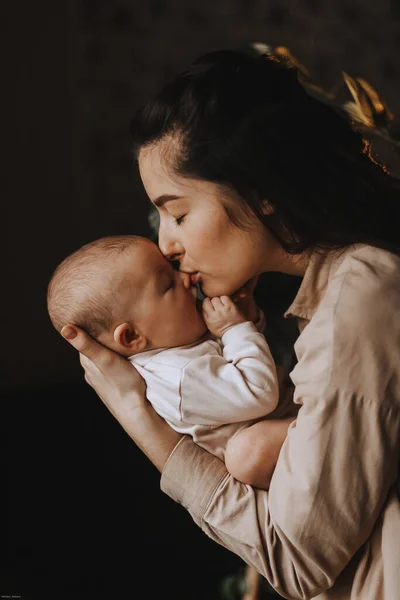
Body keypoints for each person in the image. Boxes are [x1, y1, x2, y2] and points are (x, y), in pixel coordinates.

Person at [59, 48, 400, 599]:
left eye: (179, 213)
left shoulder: (359, 297)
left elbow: (298, 563)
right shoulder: (331, 295)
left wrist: (139, 418)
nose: (167, 244)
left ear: (260, 192)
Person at [47, 234, 294, 489]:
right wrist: (236, 329)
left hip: (283, 411)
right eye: (168, 284)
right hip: (274, 431)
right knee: (248, 454)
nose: (185, 278)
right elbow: (258, 390)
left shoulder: (180, 342)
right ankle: (324, 426)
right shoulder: (177, 378)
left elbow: (242, 362)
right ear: (132, 336)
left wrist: (246, 315)